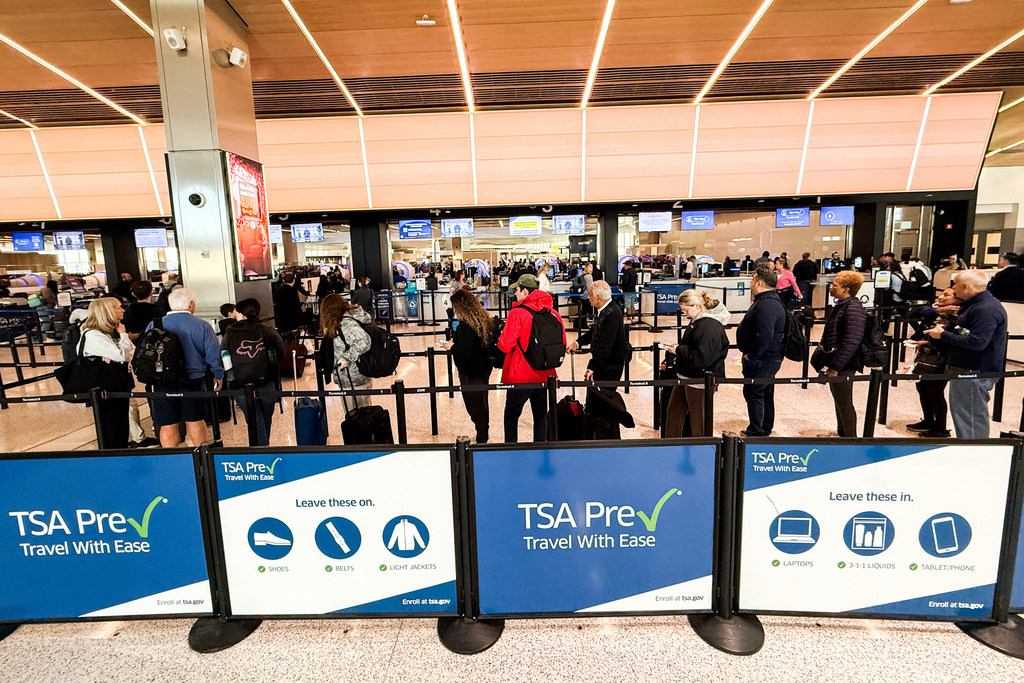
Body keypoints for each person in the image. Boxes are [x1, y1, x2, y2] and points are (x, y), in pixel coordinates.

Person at [924, 270, 1007, 439]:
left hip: (973, 371)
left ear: (964, 286)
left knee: (970, 417)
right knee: (964, 415)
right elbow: (967, 332)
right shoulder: (976, 306)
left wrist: (943, 335)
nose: (953, 288)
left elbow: (978, 342)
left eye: (955, 284)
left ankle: (974, 455)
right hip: (966, 369)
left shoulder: (985, 309)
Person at [151, 287, 224, 448]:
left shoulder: (155, 324)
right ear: (191, 304)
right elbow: (213, 354)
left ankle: (171, 458)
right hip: (193, 379)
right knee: (195, 418)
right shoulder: (202, 326)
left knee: (168, 422)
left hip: (162, 379)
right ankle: (200, 455)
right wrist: (218, 375)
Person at [497, 274, 566, 443]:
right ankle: (540, 448)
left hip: (520, 375)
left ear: (525, 291)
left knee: (511, 416)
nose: (515, 294)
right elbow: (562, 342)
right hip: (545, 373)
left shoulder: (518, 313)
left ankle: (512, 450)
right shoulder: (553, 313)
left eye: (517, 290)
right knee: (540, 416)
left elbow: (505, 345)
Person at [662, 290, 730, 437]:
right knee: (674, 412)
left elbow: (702, 358)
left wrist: (680, 350)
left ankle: (702, 450)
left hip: (700, 380)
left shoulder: (709, 327)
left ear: (698, 306)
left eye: (686, 310)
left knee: (699, 420)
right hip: (687, 376)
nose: (685, 314)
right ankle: (670, 444)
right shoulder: (699, 322)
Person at [221, 298, 286, 446]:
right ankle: (263, 447)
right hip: (267, 382)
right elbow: (281, 354)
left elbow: (222, 358)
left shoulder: (230, 333)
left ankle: (260, 450)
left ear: (242, 314)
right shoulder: (267, 330)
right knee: (266, 417)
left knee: (254, 418)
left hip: (240, 385)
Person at [440, 289, 496, 443]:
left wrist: (451, 347)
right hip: (484, 368)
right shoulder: (482, 319)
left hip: (471, 371)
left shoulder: (466, 326)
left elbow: (463, 353)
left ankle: (482, 438)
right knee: (482, 403)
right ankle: (482, 434)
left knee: (474, 406)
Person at [736, 266, 786, 437]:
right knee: (764, 391)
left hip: (764, 359)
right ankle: (763, 427)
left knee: (755, 392)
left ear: (758, 282)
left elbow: (765, 334)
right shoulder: (768, 300)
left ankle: (757, 430)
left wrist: (753, 355)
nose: (750, 283)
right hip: (767, 357)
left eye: (752, 279)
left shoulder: (767, 303)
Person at [817, 271, 867, 438]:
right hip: (838, 360)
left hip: (845, 363)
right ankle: (842, 432)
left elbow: (851, 341)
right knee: (839, 399)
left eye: (835, 286)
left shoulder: (853, 309)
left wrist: (835, 366)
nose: (831, 288)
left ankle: (850, 438)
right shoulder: (843, 305)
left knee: (844, 401)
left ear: (846, 289)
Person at [80, 298, 134, 449]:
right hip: (107, 385)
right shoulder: (94, 335)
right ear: (107, 312)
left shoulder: (109, 333)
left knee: (121, 422)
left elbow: (131, 352)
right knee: (112, 423)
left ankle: (121, 449)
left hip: (118, 383)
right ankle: (114, 453)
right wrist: (124, 336)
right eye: (118, 308)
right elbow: (122, 356)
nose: (122, 310)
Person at [907, 287, 961, 438]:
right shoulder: (935, 311)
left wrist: (929, 343)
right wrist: (937, 310)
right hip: (926, 356)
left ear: (956, 299)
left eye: (946, 295)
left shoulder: (958, 315)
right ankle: (929, 420)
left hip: (942, 358)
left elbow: (955, 337)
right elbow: (914, 313)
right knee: (922, 388)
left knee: (935, 391)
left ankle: (941, 428)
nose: (941, 297)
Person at [567, 280, 628, 396]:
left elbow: (605, 345)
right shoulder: (604, 311)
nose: (588, 297)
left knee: (603, 400)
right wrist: (577, 343)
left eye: (590, 294)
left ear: (598, 297)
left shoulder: (612, 313)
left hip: (609, 367)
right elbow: (594, 331)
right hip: (603, 364)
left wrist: (591, 367)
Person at [320, 294, 373, 409]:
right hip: (352, 378)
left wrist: (346, 358)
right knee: (360, 417)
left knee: (357, 418)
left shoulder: (346, 323)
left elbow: (364, 341)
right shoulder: (342, 321)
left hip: (353, 378)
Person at [273, 272, 305, 343]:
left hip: (283, 321)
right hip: (293, 321)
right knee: (294, 342)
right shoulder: (293, 292)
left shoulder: (278, 292)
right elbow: (296, 308)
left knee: (286, 342)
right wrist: (301, 321)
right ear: (293, 281)